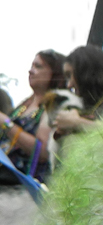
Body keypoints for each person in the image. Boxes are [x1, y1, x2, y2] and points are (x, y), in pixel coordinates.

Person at [1, 50, 67, 183]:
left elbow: (42, 151)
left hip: (21, 186)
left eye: (38, 66)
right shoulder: (25, 103)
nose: (30, 71)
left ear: (55, 74)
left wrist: (6, 123)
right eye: (32, 66)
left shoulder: (55, 105)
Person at [55, 46, 103, 136]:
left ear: (85, 72)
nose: (69, 85)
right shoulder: (96, 106)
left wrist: (77, 123)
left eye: (69, 75)